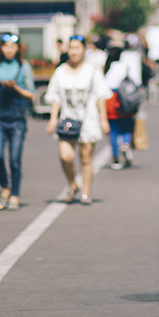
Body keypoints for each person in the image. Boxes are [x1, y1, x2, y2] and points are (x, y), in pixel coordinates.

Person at [45, 36, 111, 204]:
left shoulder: (92, 71)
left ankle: (86, 192)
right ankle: (73, 184)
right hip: (67, 119)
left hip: (89, 120)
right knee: (65, 155)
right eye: (71, 48)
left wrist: (103, 119)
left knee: (86, 158)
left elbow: (100, 96)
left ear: (83, 50)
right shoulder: (60, 71)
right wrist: (53, 119)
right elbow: (55, 97)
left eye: (77, 48)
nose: (74, 52)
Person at [0, 34, 35, 211]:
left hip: (17, 119)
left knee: (15, 159)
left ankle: (15, 194)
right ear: (1, 48)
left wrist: (16, 88)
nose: (9, 50)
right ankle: (5, 187)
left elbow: (32, 94)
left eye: (13, 46)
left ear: (18, 48)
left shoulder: (23, 67)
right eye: (6, 46)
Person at [102, 47, 136, 170]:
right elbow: (135, 82)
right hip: (123, 99)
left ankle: (115, 158)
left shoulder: (107, 68)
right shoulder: (125, 67)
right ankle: (126, 144)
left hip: (109, 99)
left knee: (113, 131)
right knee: (127, 126)